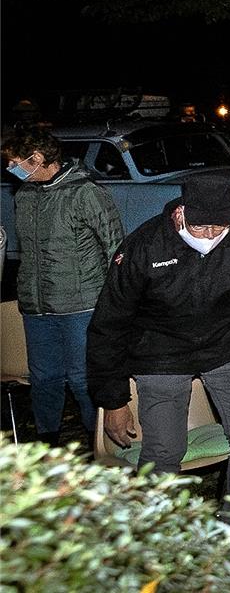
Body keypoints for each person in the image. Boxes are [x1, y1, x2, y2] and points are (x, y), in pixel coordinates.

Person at [86, 176, 230, 515]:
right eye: (201, 228)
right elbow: (109, 325)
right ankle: (160, 534)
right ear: (181, 213)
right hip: (160, 355)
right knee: (164, 452)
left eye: (219, 228)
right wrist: (113, 400)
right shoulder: (144, 246)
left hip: (229, 346)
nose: (210, 236)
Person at [2, 127, 124, 444]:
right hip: (37, 305)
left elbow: (115, 249)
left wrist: (116, 303)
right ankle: (48, 442)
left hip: (81, 304)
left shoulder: (86, 193)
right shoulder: (25, 195)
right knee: (44, 380)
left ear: (37, 158)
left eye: (15, 162)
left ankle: (96, 441)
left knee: (83, 380)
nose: (9, 169)